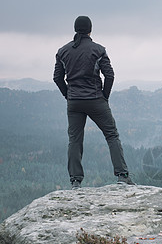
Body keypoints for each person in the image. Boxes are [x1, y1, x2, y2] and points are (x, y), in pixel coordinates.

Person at [53, 15, 135, 189]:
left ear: (75, 29)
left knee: (74, 139)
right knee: (111, 135)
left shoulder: (63, 51)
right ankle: (122, 176)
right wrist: (104, 96)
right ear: (90, 29)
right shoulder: (98, 50)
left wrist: (68, 95)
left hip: (74, 101)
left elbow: (57, 78)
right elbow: (110, 75)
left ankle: (75, 181)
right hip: (96, 99)